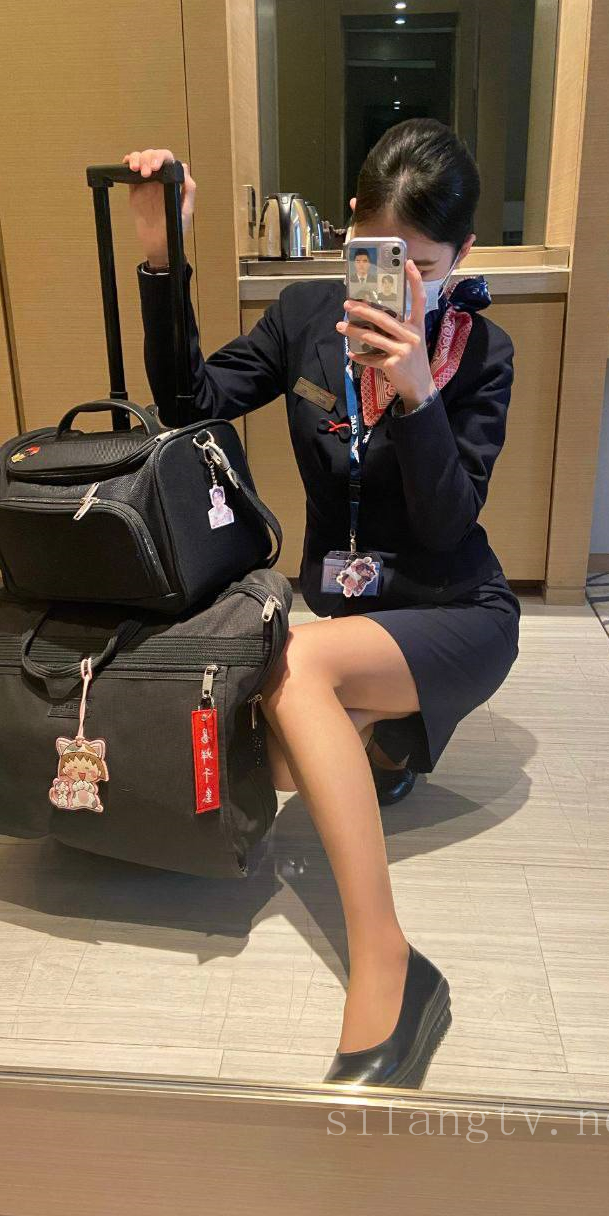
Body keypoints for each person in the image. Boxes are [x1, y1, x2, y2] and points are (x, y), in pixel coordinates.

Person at [125, 118, 521, 1089]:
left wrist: (419, 391)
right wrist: (162, 260)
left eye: (420, 265)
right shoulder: (306, 316)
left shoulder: (482, 352)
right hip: (346, 620)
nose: (391, 284)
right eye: (373, 254)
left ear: (463, 256)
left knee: (294, 669)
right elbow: (190, 404)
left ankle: (390, 961)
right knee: (254, 746)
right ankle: (380, 747)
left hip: (455, 606)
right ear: (349, 227)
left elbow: (448, 522)